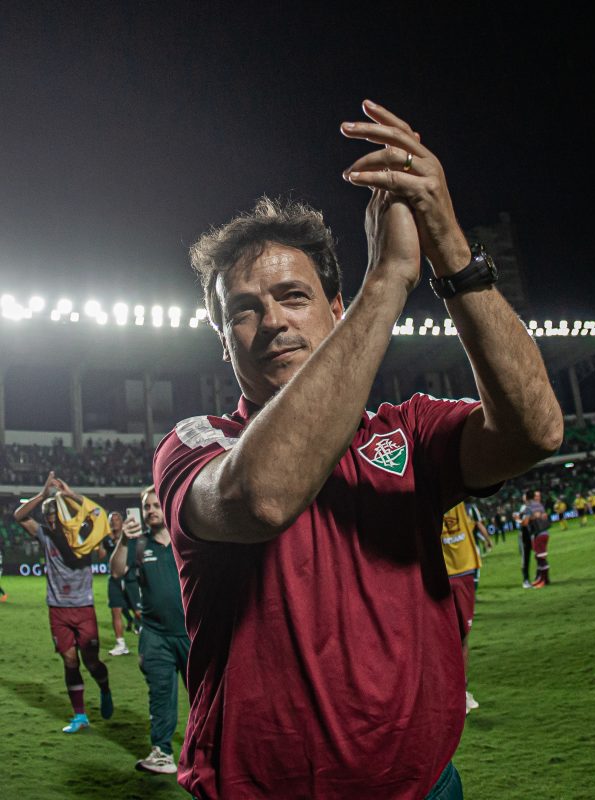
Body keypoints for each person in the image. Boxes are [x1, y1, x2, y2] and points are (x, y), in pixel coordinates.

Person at [152, 99, 563, 799]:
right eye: (243, 311)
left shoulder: (409, 432)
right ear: (223, 342)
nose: (272, 321)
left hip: (428, 786)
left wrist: (450, 249)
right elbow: (265, 498)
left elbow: (535, 431)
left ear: (334, 310)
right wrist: (387, 281)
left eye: (293, 296)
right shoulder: (197, 445)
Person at [14, 472, 114, 733]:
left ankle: (104, 687)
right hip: (58, 609)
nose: (51, 520)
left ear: (64, 514)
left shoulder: (83, 536)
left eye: (54, 514)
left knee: (91, 661)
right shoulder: (45, 536)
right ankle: (80, 716)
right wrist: (42, 494)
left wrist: (70, 495)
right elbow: (19, 516)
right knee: (70, 660)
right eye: (47, 516)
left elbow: (98, 514)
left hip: (83, 607)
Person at [110, 486, 189, 775]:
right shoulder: (139, 544)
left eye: (156, 505)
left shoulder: (185, 540)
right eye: (147, 507)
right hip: (155, 635)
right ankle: (162, 753)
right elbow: (116, 571)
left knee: (205, 697)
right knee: (160, 694)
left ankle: (209, 753)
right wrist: (123, 540)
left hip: (192, 634)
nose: (151, 510)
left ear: (166, 505)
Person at [441, 502, 483, 714]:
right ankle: (451, 693)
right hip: (443, 572)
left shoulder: (459, 499)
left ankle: (460, 692)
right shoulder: (423, 498)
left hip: (460, 570)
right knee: (446, 639)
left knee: (461, 636)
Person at [102, 511, 134, 655]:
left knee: (138, 612)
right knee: (116, 610)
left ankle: (137, 624)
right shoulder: (106, 539)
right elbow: (101, 555)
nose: (114, 522)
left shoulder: (130, 536)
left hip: (129, 578)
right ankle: (121, 644)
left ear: (122, 522)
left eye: (117, 519)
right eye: (111, 520)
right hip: (114, 579)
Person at [513, 490, 536, 588]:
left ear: (525, 497)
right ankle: (538, 577)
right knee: (534, 556)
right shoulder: (532, 506)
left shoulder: (527, 507)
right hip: (532, 533)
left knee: (525, 558)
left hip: (525, 534)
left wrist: (517, 519)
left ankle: (525, 580)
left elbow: (524, 522)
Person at [530, 489, 551, 587]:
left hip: (541, 534)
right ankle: (540, 578)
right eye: (536, 496)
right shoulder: (538, 506)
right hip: (538, 534)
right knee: (539, 557)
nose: (537, 498)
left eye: (538, 496)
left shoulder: (536, 506)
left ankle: (544, 580)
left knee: (541, 557)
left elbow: (538, 518)